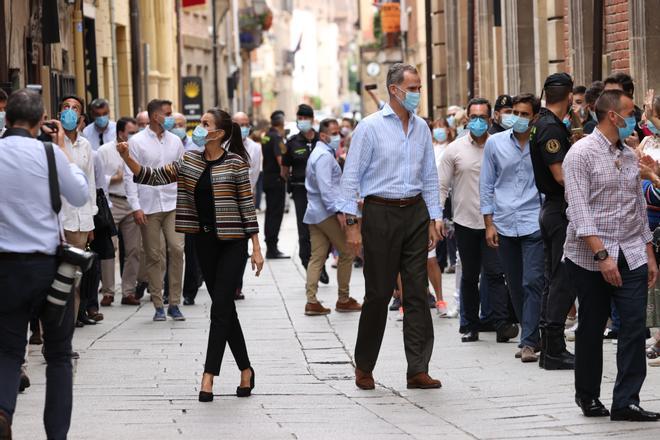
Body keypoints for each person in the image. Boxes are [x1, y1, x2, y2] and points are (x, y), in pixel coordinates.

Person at [117, 107, 264, 402]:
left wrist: (256, 247)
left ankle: (208, 376)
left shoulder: (236, 163)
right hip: (205, 242)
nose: (199, 127)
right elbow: (153, 176)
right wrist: (127, 158)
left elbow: (248, 207)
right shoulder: (189, 159)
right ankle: (246, 370)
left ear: (218, 134)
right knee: (225, 309)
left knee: (220, 307)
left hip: (233, 243)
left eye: (205, 124)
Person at [340, 63, 443, 390]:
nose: (417, 94)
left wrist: (434, 217)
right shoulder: (369, 128)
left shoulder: (422, 128)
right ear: (394, 89)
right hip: (380, 213)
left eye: (419, 88)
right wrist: (352, 227)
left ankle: (417, 369)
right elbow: (351, 178)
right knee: (379, 293)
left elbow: (429, 175)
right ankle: (365, 366)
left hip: (414, 213)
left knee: (417, 292)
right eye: (412, 88)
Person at [564, 89, 660, 421]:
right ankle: (588, 396)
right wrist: (602, 257)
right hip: (590, 255)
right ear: (612, 116)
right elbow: (578, 211)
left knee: (634, 325)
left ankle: (626, 400)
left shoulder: (632, 156)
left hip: (631, 250)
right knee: (591, 326)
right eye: (631, 113)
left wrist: (648, 252)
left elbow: (638, 206)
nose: (635, 120)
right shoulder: (580, 154)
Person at [0, 88, 89, 440]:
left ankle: (3, 411)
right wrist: (62, 150)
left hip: (5, 267)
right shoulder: (50, 154)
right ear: (41, 122)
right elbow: (80, 194)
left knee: (7, 350)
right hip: (48, 269)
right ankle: (56, 435)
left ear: (7, 119)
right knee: (58, 356)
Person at [439, 98, 516, 344]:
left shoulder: (501, 145)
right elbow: (441, 186)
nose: (479, 122)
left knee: (495, 273)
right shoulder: (455, 149)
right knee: (470, 276)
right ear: (467, 119)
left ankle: (502, 323)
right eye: (474, 117)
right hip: (465, 221)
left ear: (491, 118)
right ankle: (469, 326)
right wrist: (437, 217)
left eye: (483, 117)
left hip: (495, 221)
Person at [481, 93, 544, 362]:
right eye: (514, 113)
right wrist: (489, 223)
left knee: (533, 281)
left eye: (524, 114)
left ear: (534, 117)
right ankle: (532, 333)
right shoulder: (494, 144)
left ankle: (528, 341)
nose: (518, 118)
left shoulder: (541, 143)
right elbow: (486, 184)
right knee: (515, 284)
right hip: (505, 221)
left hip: (534, 220)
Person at [529, 72, 577, 370]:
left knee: (552, 279)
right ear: (569, 96)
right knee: (562, 279)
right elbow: (561, 175)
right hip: (560, 210)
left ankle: (549, 347)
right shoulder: (550, 127)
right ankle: (554, 349)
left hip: (551, 210)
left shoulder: (543, 124)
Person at [124, 99, 186, 321]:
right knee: (154, 255)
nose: (170, 117)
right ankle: (158, 304)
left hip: (173, 204)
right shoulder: (137, 142)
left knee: (177, 250)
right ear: (154, 116)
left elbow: (183, 172)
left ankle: (175, 303)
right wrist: (135, 206)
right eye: (167, 114)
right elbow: (129, 175)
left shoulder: (176, 142)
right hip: (148, 205)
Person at [303, 118, 361, 315]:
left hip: (316, 212)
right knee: (346, 252)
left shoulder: (321, 154)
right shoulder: (323, 157)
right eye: (334, 133)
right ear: (323, 135)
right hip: (326, 213)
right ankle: (343, 298)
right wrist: (338, 212)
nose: (339, 136)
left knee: (317, 256)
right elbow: (326, 188)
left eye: (339, 132)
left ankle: (311, 301)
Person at [58, 95, 98, 328]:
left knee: (74, 278)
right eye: (66, 107)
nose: (70, 112)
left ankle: (67, 334)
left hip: (80, 221)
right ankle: (44, 331)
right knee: (54, 279)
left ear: (81, 117)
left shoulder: (86, 145)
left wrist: (91, 219)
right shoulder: (51, 142)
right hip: (59, 218)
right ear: (59, 114)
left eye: (75, 108)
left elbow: (90, 182)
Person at [96, 117, 142, 307]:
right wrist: (114, 178)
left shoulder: (138, 149)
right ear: (120, 132)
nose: (132, 135)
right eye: (130, 131)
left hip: (132, 204)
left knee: (133, 249)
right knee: (109, 248)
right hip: (112, 202)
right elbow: (98, 178)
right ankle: (108, 291)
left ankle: (129, 291)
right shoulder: (104, 151)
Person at [283, 104, 324, 275]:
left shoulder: (321, 141)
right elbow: (284, 170)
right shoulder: (292, 142)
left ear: (312, 119)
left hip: (322, 192)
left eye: (305, 118)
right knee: (304, 228)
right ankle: (308, 262)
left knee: (324, 228)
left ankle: (320, 263)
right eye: (299, 118)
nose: (302, 121)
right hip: (301, 191)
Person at [233, 111, 263, 300]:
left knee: (242, 244)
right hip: (224, 202)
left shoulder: (255, 147)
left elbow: (254, 175)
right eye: (239, 124)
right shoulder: (223, 145)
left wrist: (248, 195)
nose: (243, 127)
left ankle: (237, 285)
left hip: (244, 199)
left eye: (246, 123)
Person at [262, 110, 289, 258]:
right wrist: (286, 176)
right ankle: (272, 248)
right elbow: (281, 159)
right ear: (282, 124)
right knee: (275, 214)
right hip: (277, 180)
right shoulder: (277, 137)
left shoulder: (266, 136)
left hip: (267, 178)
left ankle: (270, 245)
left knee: (270, 213)